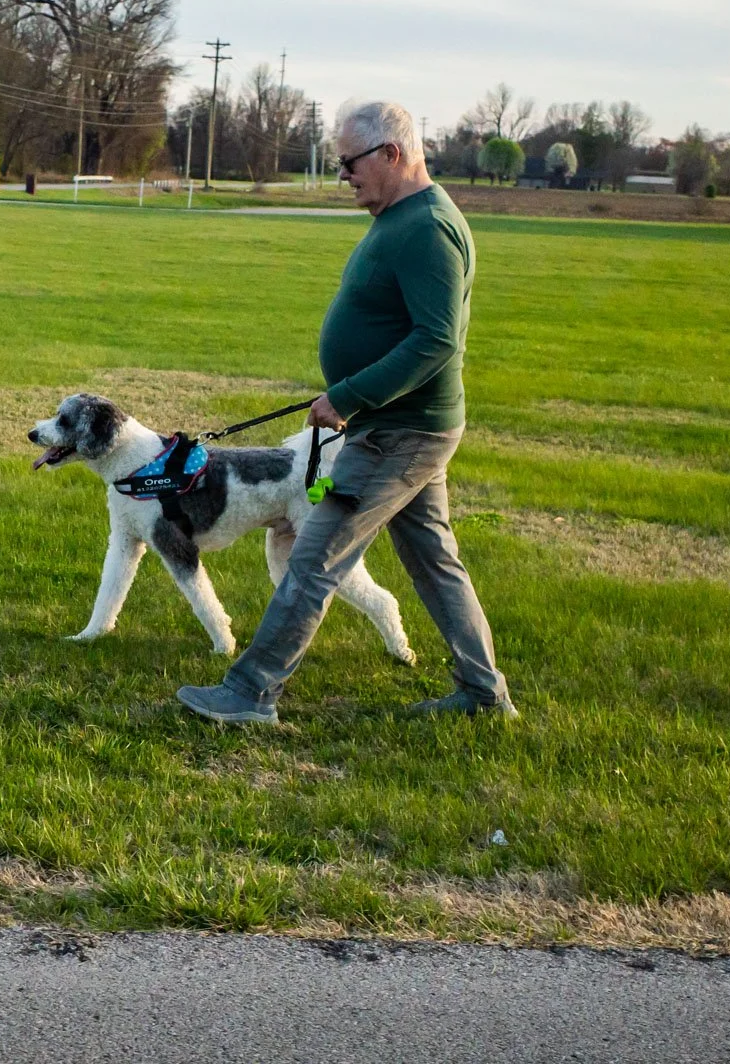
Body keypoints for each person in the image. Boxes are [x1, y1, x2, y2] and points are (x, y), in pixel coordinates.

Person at [176, 99, 517, 726]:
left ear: (391, 154)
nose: (343, 176)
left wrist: (349, 396)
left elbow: (437, 340)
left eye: (349, 163)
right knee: (435, 563)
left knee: (312, 560)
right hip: (397, 427)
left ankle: (250, 692)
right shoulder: (399, 216)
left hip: (398, 434)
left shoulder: (427, 228)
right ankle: (483, 693)